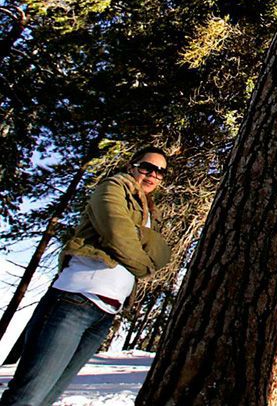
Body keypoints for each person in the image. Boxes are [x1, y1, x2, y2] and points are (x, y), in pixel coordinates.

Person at [0, 147, 173, 406]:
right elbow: (117, 233)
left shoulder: (151, 213)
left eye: (160, 172)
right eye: (147, 167)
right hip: (74, 301)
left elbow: (163, 254)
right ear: (132, 166)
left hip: (105, 315)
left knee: (48, 397)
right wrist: (144, 263)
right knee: (27, 397)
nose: (153, 175)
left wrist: (141, 237)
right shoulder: (113, 187)